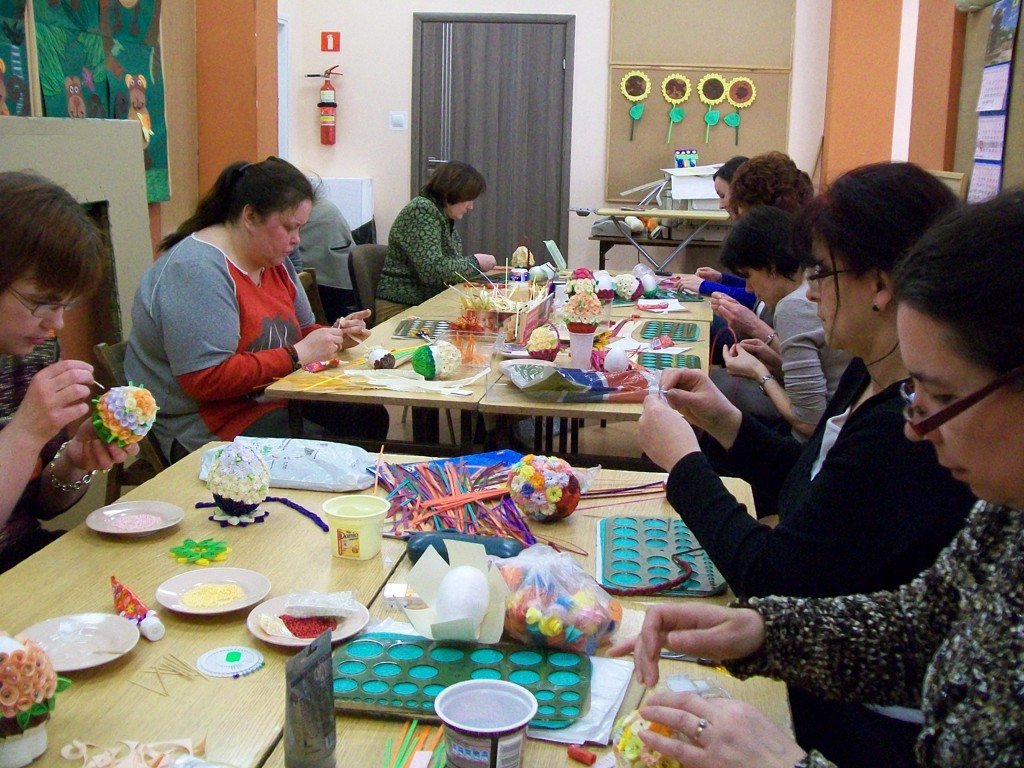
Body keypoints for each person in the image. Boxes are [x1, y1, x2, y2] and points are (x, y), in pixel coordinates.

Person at [612, 188, 1024, 768]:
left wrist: (786, 763)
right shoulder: (1004, 516)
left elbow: (785, 569)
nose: (916, 428)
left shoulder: (906, 441)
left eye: (942, 397)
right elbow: (918, 623)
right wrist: (765, 631)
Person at [125, 157, 388, 462]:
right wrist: (297, 355)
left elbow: (303, 332)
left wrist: (334, 336)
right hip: (208, 424)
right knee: (321, 455)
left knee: (367, 418)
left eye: (300, 228)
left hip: (273, 397)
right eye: (289, 227)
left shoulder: (272, 259)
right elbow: (206, 378)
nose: (296, 240)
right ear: (250, 216)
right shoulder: (195, 270)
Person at [0, 171, 138, 572]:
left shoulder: (32, 350)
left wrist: (73, 462)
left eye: (66, 305)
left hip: (25, 559)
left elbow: (42, 506)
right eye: (41, 302)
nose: (56, 324)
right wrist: (25, 433)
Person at [713, 206, 851, 438]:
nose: (748, 288)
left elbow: (809, 422)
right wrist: (775, 357)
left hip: (811, 445)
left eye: (748, 276)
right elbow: (823, 373)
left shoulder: (793, 305)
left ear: (771, 266)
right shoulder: (806, 283)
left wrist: (758, 371)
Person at [375, 161, 497, 323]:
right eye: (468, 199)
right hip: (400, 309)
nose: (470, 207)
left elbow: (448, 266)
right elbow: (432, 271)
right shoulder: (421, 210)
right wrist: (476, 263)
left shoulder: (442, 216)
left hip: (424, 304)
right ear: (451, 193)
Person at [293, 195, 357, 323]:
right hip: (346, 277)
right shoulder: (321, 206)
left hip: (333, 286)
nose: (294, 238)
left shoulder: (299, 212)